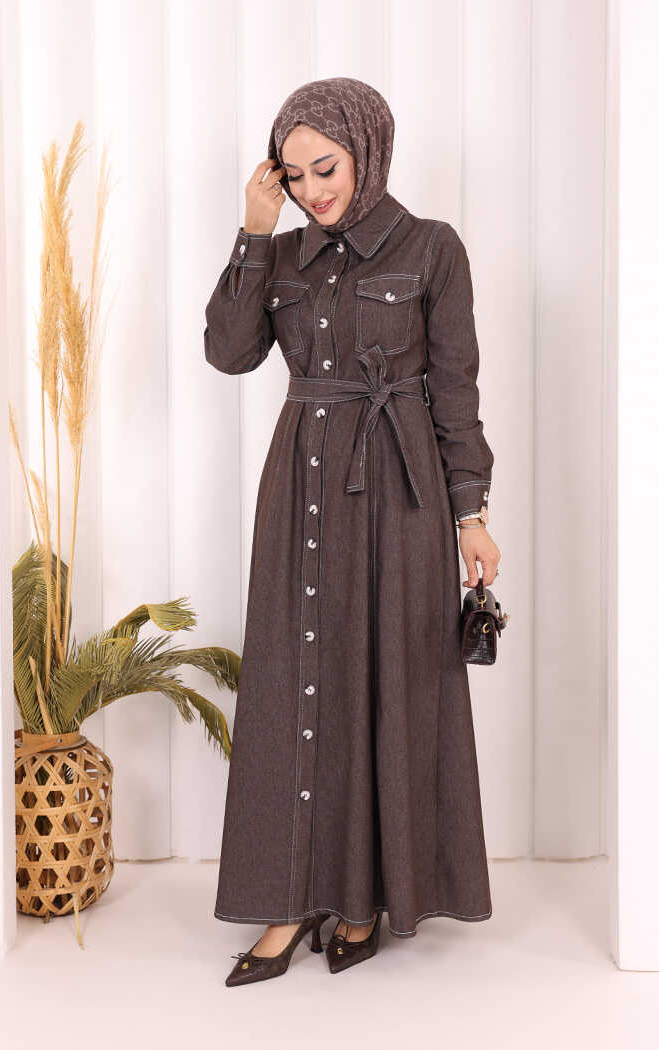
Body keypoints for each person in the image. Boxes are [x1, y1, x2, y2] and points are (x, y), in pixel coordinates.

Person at [203, 76, 501, 987]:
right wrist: (255, 231)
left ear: (367, 150)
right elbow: (229, 351)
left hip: (402, 491)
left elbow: (454, 388)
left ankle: (367, 898)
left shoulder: (432, 248)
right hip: (300, 485)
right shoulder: (283, 252)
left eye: (324, 168)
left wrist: (471, 512)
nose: (311, 190)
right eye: (293, 176)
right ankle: (291, 900)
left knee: (389, 678)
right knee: (294, 676)